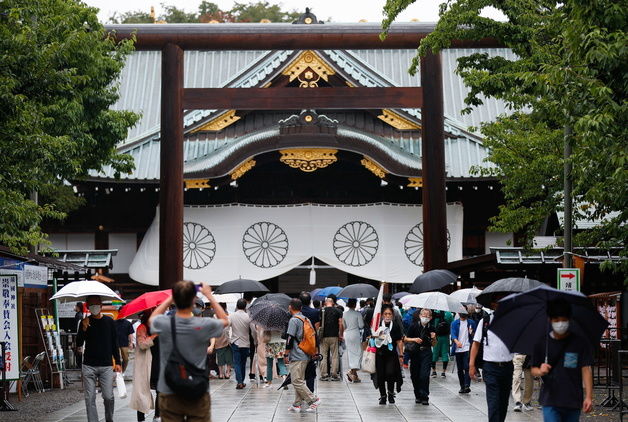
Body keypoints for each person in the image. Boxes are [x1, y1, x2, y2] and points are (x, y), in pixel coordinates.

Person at [150, 281, 228, 422]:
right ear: (193, 300)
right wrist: (209, 295)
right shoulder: (203, 324)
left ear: (175, 299)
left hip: (169, 390)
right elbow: (225, 320)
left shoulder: (165, 323)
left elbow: (152, 319)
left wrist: (170, 297)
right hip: (197, 389)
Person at [531, 299, 594, 422]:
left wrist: (589, 397)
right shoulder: (542, 343)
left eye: (564, 320)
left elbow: (586, 369)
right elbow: (533, 369)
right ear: (550, 320)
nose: (560, 323)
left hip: (573, 399)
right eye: (556, 320)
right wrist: (540, 371)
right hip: (550, 399)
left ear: (569, 320)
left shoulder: (579, 342)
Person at [76, 295, 122, 422]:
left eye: (96, 304)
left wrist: (118, 362)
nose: (94, 307)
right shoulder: (85, 322)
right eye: (91, 305)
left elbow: (114, 343)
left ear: (101, 305)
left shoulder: (109, 322)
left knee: (108, 396)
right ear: (88, 307)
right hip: (89, 365)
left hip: (106, 365)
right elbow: (79, 343)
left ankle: (109, 419)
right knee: (89, 398)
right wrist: (83, 329)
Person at [470, 295, 513, 422]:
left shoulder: (513, 321)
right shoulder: (485, 321)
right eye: (498, 302)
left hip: (507, 366)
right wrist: (472, 365)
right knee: (493, 402)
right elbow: (476, 343)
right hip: (490, 367)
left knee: (503, 402)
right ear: (493, 305)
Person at [285, 298, 321, 413]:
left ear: (290, 307)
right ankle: (297, 404)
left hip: (297, 355)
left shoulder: (293, 320)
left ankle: (313, 400)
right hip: (306, 353)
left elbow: (289, 338)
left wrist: (286, 353)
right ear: (301, 308)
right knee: (299, 380)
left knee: (296, 381)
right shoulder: (306, 319)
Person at [130, 309, 160, 422]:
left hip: (157, 362)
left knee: (160, 390)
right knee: (141, 392)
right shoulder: (142, 328)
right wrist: (154, 336)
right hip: (145, 364)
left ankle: (157, 415)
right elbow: (142, 344)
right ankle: (141, 419)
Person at [372, 305, 404, 405]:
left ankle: (390, 394)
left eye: (389, 314)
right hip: (379, 354)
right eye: (385, 314)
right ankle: (383, 396)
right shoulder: (377, 326)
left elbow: (399, 341)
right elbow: (372, 338)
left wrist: (401, 355)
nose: (387, 316)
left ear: (392, 315)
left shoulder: (395, 326)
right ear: (382, 315)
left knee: (390, 373)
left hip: (391, 354)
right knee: (380, 375)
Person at [405, 308, 436, 404]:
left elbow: (434, 344)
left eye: (428, 316)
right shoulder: (413, 326)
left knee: (424, 375)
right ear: (419, 316)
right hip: (415, 353)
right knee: (414, 375)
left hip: (426, 352)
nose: (425, 317)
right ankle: (417, 394)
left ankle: (425, 396)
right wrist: (414, 339)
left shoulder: (431, 328)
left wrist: (433, 338)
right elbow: (405, 339)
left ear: (430, 318)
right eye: (424, 315)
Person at [450, 311, 477, 394]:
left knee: (467, 367)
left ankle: (466, 385)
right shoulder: (454, 323)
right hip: (458, 348)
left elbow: (475, 334)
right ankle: (462, 386)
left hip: (467, 347)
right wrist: (456, 341)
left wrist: (471, 332)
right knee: (460, 369)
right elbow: (453, 334)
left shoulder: (471, 322)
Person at [318, 297, 343, 381]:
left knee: (323, 355)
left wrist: (318, 334)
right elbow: (340, 323)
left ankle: (324, 375)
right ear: (333, 303)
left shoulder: (321, 311)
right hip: (334, 336)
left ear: (325, 303)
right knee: (335, 356)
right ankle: (334, 374)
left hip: (323, 336)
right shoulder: (338, 311)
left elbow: (318, 323)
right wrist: (340, 334)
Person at [229, 298, 252, 389]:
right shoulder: (248, 316)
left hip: (235, 341)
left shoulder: (232, 316)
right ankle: (241, 381)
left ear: (237, 306)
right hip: (245, 342)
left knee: (237, 363)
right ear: (245, 306)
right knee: (243, 363)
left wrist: (229, 339)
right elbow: (253, 330)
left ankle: (239, 382)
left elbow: (227, 327)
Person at [343, 298, 364, 383]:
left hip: (347, 334)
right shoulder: (357, 314)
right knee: (358, 353)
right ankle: (352, 372)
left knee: (351, 353)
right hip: (355, 334)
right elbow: (361, 325)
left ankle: (355, 375)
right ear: (355, 305)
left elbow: (344, 325)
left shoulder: (344, 314)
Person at [431, 310, 453, 377]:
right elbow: (451, 324)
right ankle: (443, 372)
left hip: (436, 336)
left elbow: (432, 324)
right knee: (444, 354)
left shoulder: (435, 313)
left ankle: (434, 371)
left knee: (434, 353)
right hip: (445, 337)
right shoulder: (449, 314)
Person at [214, 303, 232, 379]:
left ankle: (221, 373)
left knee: (220, 357)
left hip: (218, 339)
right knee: (228, 357)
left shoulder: (215, 316)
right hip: (226, 339)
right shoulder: (227, 316)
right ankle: (227, 373)